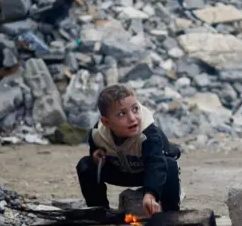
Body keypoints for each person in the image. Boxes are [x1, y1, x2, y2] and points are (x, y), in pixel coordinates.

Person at [76, 84, 183, 216]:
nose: (132, 118)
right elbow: (95, 149)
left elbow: (156, 164)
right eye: (122, 114)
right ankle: (99, 212)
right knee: (85, 165)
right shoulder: (98, 134)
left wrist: (150, 193)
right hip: (120, 171)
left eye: (135, 109)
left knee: (169, 165)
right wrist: (96, 155)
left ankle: (170, 214)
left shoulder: (148, 134)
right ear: (106, 122)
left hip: (147, 173)